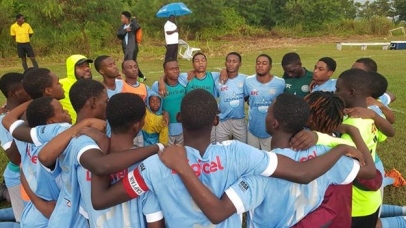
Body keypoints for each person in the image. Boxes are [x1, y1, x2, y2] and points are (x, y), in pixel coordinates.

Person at [89, 89, 361, 227]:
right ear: (216, 120)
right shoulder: (239, 153)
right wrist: (337, 147)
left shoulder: (155, 165)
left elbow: (101, 200)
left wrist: (98, 151)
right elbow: (302, 173)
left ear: (180, 119)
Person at [159, 92, 375, 228]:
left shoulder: (259, 173)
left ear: (274, 124)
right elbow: (370, 173)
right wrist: (350, 138)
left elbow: (217, 212)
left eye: (269, 111)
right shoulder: (324, 156)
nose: (266, 114)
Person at [35, 80, 161, 227]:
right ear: (138, 124)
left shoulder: (84, 157)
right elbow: (154, 218)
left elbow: (87, 211)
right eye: (106, 101)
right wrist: (158, 147)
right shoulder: (148, 166)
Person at [0, 72, 30, 226]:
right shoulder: (3, 121)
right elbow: (14, 156)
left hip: (30, 173)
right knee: (23, 221)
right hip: (16, 177)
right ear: (13, 93)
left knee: (29, 211)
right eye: (26, 87)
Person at [244, 54, 285, 151]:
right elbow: (246, 97)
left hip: (271, 132)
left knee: (269, 159)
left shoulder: (280, 83)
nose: (260, 65)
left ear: (270, 66)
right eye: (258, 63)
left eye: (264, 63)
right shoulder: (248, 81)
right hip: (252, 130)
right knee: (252, 159)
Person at [215, 52, 247, 143]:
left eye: (234, 61)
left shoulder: (246, 80)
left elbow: (248, 97)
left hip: (239, 121)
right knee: (220, 149)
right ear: (225, 63)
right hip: (222, 121)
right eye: (229, 61)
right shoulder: (217, 80)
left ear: (240, 64)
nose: (231, 64)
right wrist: (223, 70)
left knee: (241, 149)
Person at [151, 60, 185, 145]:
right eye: (171, 69)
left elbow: (194, 72)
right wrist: (163, 112)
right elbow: (151, 106)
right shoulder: (157, 86)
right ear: (165, 72)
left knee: (182, 154)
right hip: (166, 128)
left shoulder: (183, 80)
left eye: (177, 68)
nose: (175, 71)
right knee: (167, 154)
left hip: (183, 128)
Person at [60, 54, 93, 124]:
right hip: (71, 128)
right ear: (72, 69)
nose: (86, 69)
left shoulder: (93, 85)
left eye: (87, 66)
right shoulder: (61, 84)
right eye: (81, 67)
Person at [117, 11, 146, 81]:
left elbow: (138, 27)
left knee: (128, 62)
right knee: (132, 62)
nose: (121, 19)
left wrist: (134, 19)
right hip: (125, 47)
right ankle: (142, 76)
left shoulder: (132, 25)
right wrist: (125, 30)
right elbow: (119, 35)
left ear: (126, 18)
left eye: (122, 18)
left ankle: (130, 77)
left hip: (132, 47)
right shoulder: (122, 27)